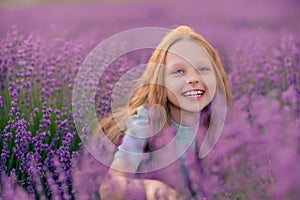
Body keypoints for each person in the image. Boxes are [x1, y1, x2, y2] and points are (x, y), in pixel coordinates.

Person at [99, 25, 233, 200]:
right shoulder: (147, 122)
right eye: (179, 72)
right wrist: (147, 188)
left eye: (203, 69)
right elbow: (109, 188)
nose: (193, 78)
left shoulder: (220, 125)